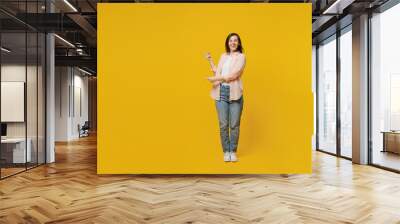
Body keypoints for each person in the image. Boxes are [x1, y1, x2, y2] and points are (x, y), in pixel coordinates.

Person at [205, 33, 246, 162]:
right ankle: (226, 151)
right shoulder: (223, 56)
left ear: (238, 43)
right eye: (230, 41)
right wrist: (210, 60)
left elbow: (233, 75)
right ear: (227, 43)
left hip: (235, 94)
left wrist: (215, 79)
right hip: (220, 92)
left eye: (235, 41)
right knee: (223, 124)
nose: (232, 43)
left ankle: (233, 151)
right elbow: (219, 72)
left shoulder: (241, 57)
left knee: (234, 124)